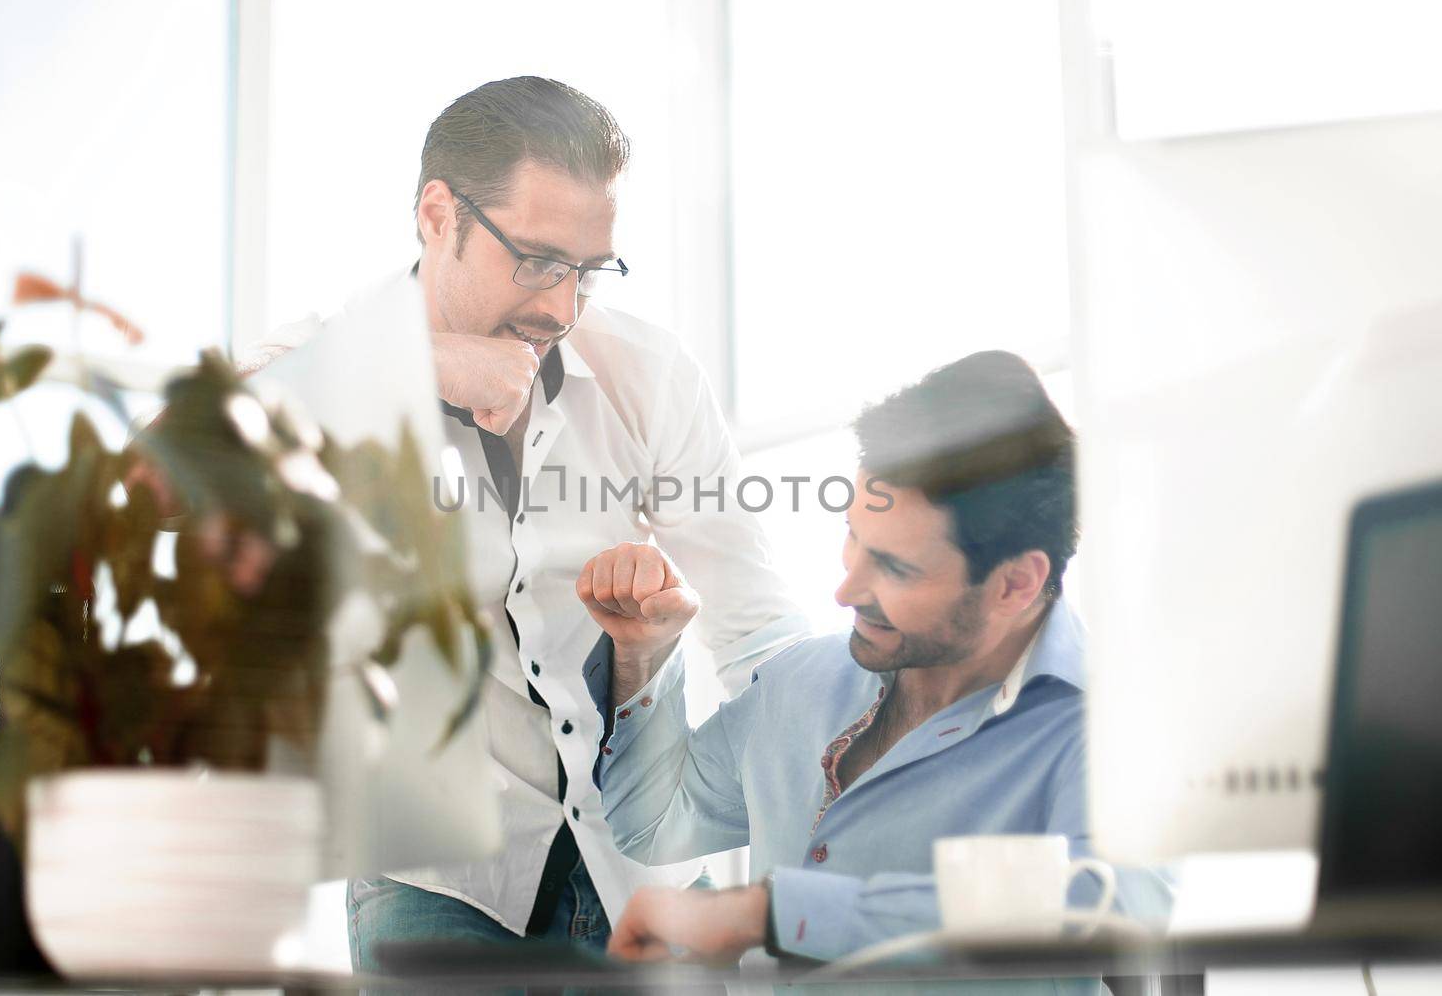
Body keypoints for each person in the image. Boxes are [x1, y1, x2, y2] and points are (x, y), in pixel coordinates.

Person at [242, 76, 807, 968]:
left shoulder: (645, 374)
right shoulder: (328, 365)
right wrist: (418, 364)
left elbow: (757, 624)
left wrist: (844, 774)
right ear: (438, 215)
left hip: (648, 871)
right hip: (440, 885)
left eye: (587, 270)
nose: (559, 306)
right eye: (537, 260)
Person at [576, 351, 1171, 975]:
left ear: (1016, 584)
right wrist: (642, 657)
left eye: (895, 567)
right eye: (854, 537)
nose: (847, 590)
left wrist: (775, 912)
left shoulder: (1106, 731)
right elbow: (657, 825)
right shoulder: (802, 683)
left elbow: (1115, 914)